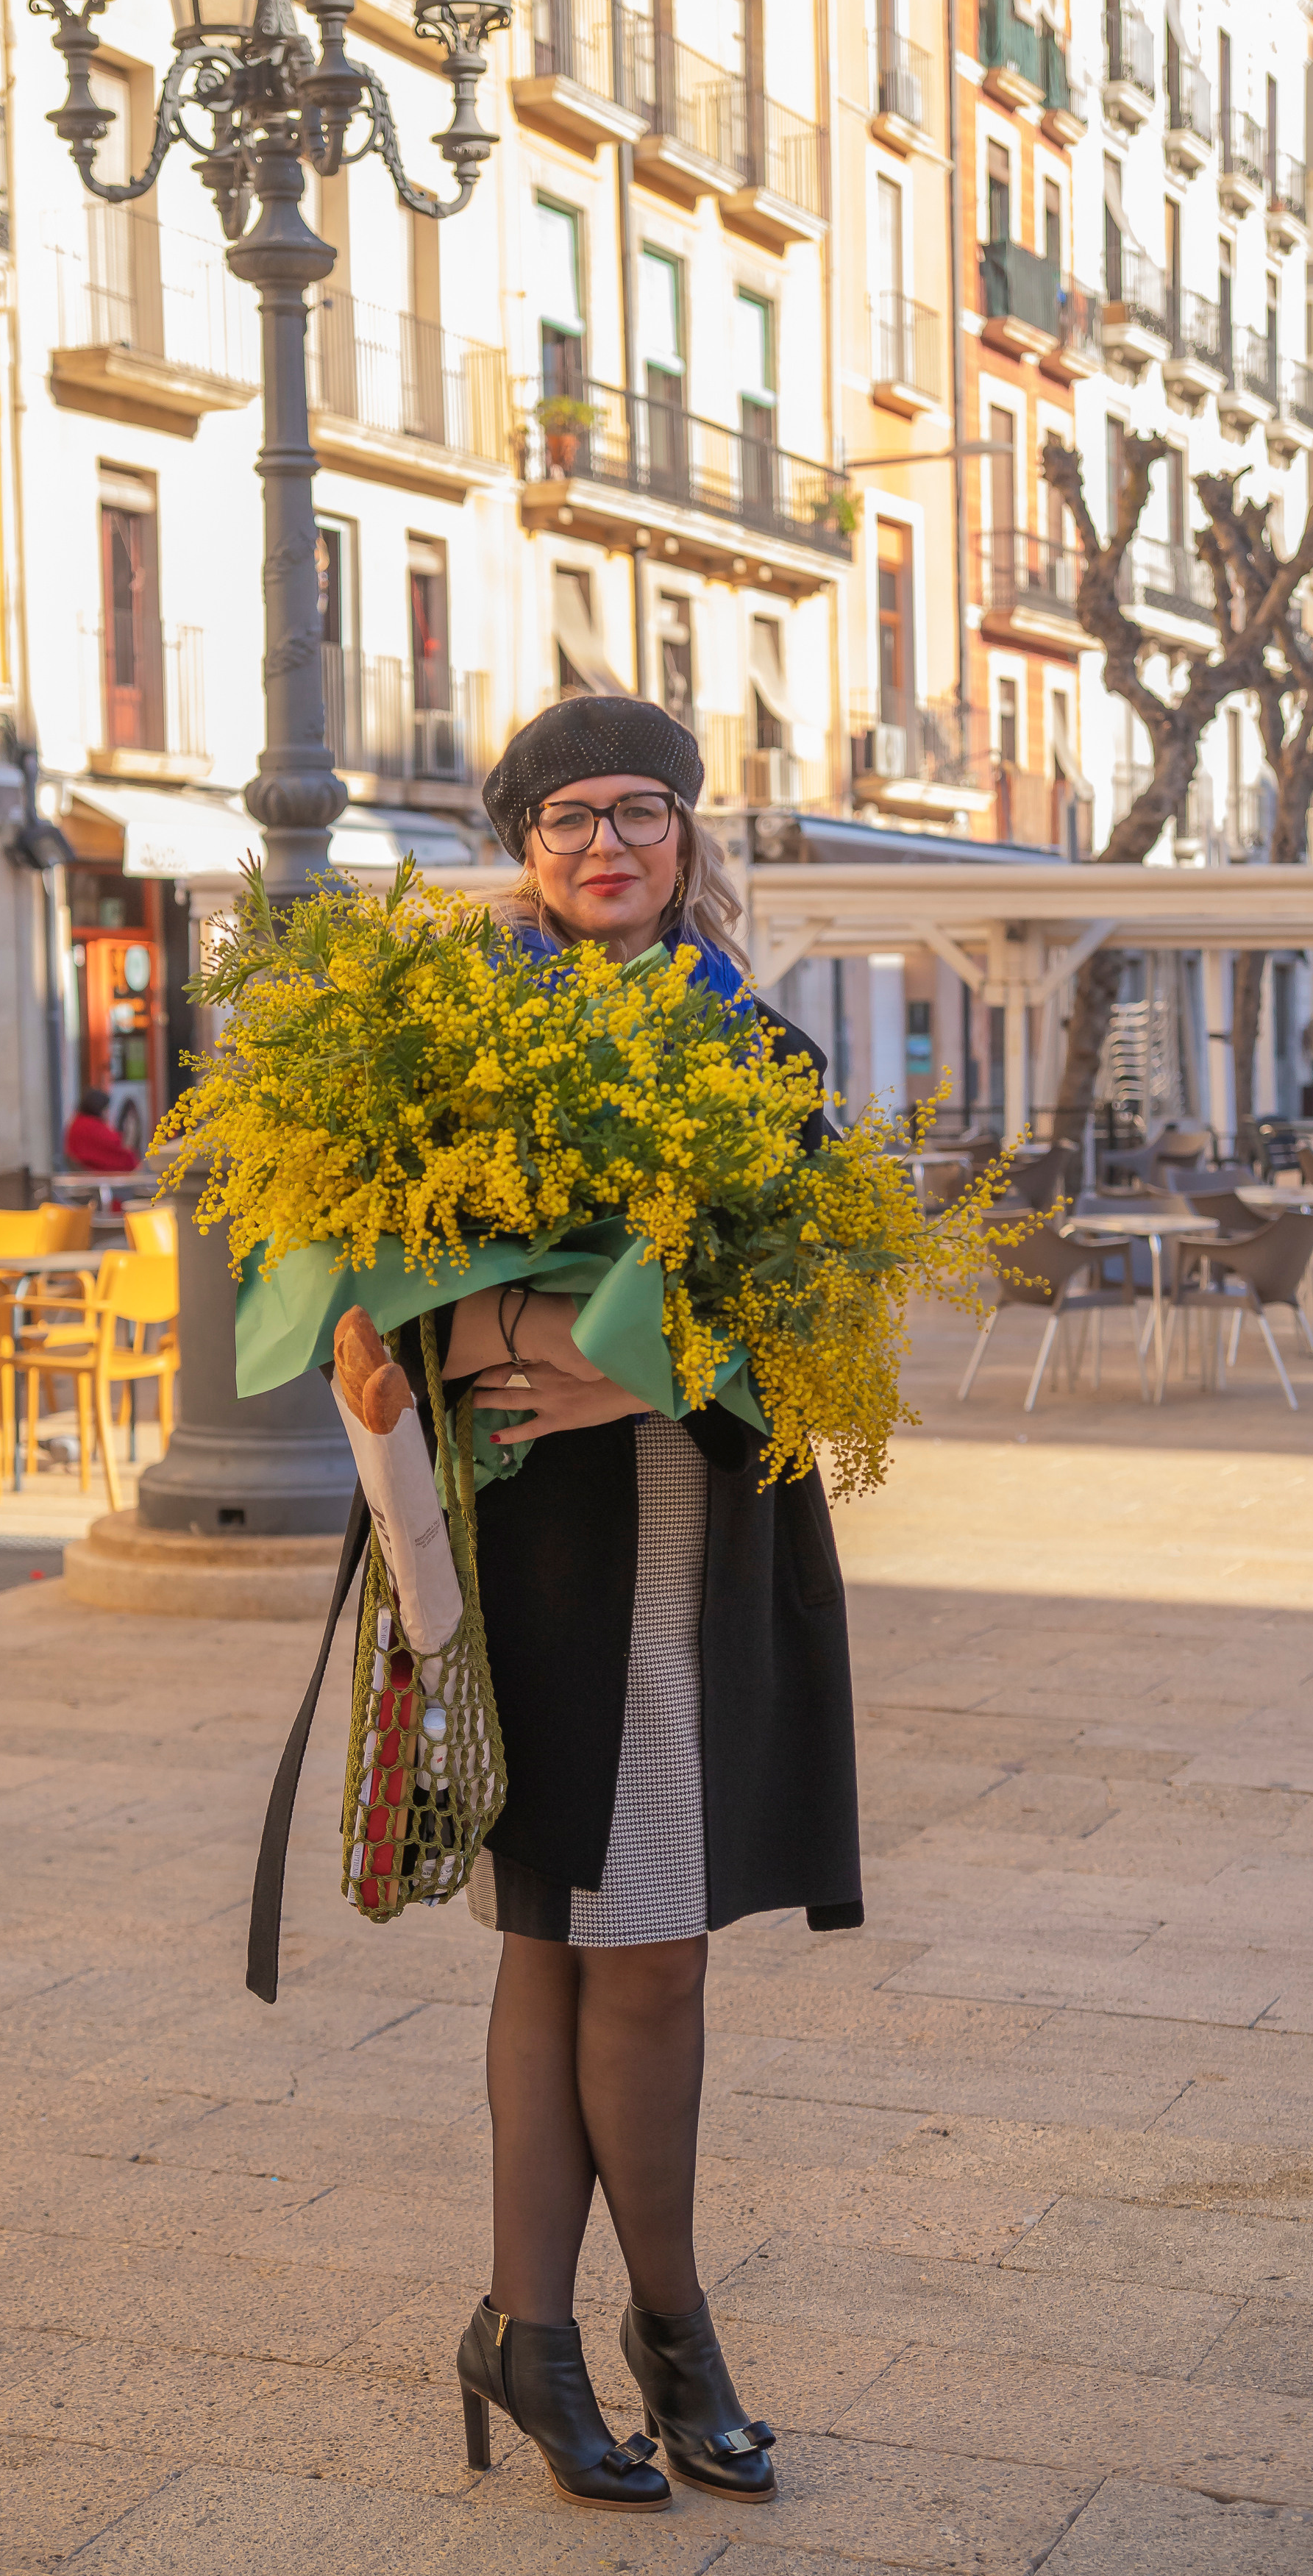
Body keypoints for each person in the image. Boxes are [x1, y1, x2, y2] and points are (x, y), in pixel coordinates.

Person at [429, 697, 862, 2515]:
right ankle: (651, 2327)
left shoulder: (754, 1050)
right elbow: (409, 1315)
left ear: (685, 831)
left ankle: (545, 2329)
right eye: (561, 819)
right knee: (606, 1935)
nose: (603, 843)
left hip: (711, 1539)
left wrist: (640, 1366)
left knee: (610, 1940)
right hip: (546, 1558)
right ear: (523, 848)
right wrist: (581, 1354)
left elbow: (828, 1317)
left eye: (638, 810)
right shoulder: (454, 1056)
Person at [63, 1086, 140, 1173]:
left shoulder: (78, 1121)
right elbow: (114, 1145)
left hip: (84, 1169)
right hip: (94, 1171)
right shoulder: (89, 1125)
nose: (107, 1113)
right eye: (106, 1109)